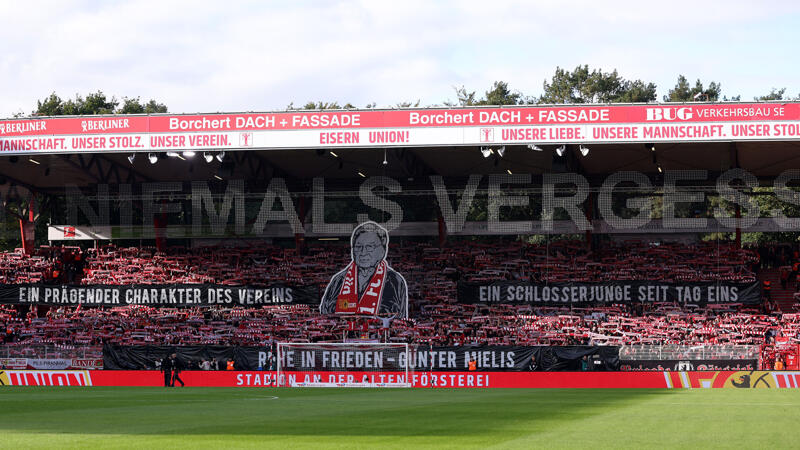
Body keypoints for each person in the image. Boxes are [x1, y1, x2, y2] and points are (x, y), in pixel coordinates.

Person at [319, 221, 408, 318]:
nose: (363, 252)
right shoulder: (338, 281)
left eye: (370, 247)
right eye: (358, 247)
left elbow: (401, 320)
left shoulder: (395, 281)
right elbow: (324, 315)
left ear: (383, 250)